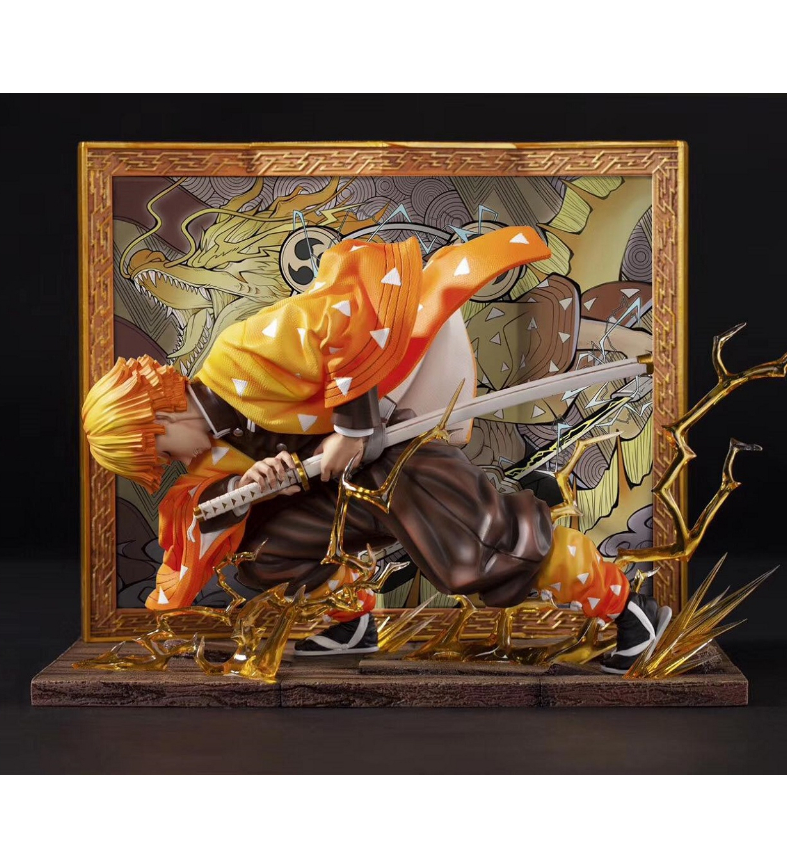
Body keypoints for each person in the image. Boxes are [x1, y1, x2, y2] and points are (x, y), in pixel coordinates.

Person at [82, 226, 669, 672]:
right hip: (350, 489)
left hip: (400, 426)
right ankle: (345, 625)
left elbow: (342, 319)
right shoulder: (211, 451)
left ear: (160, 418)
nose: (175, 464)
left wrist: (353, 429)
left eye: (161, 452)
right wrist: (248, 487)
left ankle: (629, 611)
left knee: (476, 553)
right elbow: (197, 510)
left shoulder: (239, 354)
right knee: (263, 550)